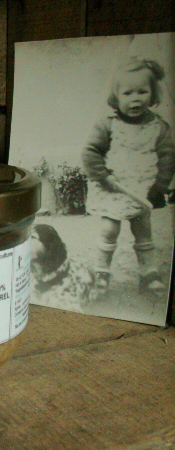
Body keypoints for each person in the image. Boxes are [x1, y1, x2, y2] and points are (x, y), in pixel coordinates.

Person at [82, 57, 175, 295]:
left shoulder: (159, 127)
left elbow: (168, 158)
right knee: (109, 229)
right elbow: (90, 151)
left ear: (153, 94)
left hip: (142, 188)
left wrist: (160, 187)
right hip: (113, 187)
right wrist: (103, 176)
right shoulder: (108, 124)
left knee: (144, 232)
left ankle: (149, 274)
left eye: (142, 92)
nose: (135, 98)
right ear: (116, 96)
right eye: (127, 93)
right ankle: (101, 272)